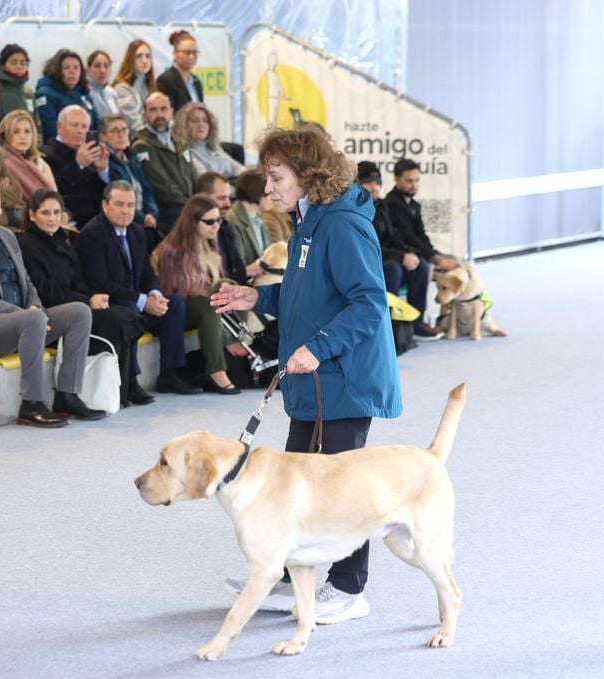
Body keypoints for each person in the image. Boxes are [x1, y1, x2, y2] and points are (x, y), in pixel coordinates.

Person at [210, 126, 402, 624]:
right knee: (296, 486)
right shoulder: (306, 223)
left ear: (309, 177)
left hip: (346, 379)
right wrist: (259, 297)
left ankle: (348, 590)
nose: (267, 187)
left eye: (276, 177)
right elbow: (307, 297)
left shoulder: (341, 226)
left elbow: (368, 304)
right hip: (317, 379)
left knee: (342, 491)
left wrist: (317, 348)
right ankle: (293, 581)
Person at [0, 177, 104, 427]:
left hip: (21, 322)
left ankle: (67, 396)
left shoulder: (7, 235)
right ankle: (32, 403)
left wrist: (35, 307)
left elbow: (26, 283)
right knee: (33, 318)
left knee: (79, 312)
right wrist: (26, 315)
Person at [17, 189, 146, 404]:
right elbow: (46, 292)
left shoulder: (61, 240)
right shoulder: (27, 245)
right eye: (45, 213)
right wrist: (86, 300)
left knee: (126, 314)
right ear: (32, 215)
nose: (52, 219)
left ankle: (125, 385)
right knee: (116, 319)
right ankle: (119, 389)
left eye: (56, 212)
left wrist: (94, 296)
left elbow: (77, 280)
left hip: (75, 302)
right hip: (53, 311)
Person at [75, 180, 198, 400]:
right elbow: (100, 284)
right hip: (110, 304)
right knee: (130, 310)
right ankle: (130, 381)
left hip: (135, 301)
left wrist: (154, 294)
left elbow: (147, 274)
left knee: (174, 304)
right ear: (105, 205)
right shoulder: (92, 235)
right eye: (119, 204)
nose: (126, 210)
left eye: (131, 205)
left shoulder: (136, 231)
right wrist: (142, 301)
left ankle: (170, 373)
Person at [151, 194, 241, 394]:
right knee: (207, 304)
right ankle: (217, 370)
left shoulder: (209, 245)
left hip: (201, 305)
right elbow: (174, 293)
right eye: (209, 221)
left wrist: (226, 286)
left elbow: (213, 284)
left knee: (236, 291)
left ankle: (240, 347)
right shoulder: (172, 250)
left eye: (218, 220)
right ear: (192, 222)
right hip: (176, 309)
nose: (216, 226)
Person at [383, 157, 458, 339]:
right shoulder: (390, 204)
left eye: (416, 180)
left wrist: (437, 256)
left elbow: (421, 237)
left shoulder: (414, 206)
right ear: (396, 179)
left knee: (424, 264)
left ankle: (416, 323)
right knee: (420, 265)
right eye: (409, 181)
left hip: (410, 256)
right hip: (392, 257)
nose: (414, 185)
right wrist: (437, 259)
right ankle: (395, 327)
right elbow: (406, 239)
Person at [357, 160, 431, 342]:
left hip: (388, 257)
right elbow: (368, 247)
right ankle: (390, 328)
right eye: (369, 183)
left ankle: (415, 324)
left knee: (420, 265)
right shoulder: (355, 211)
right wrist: (401, 256)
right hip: (367, 264)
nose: (375, 188)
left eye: (378, 182)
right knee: (392, 267)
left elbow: (394, 237)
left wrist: (408, 253)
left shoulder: (382, 206)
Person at [131, 92, 198, 239]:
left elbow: (194, 175)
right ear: (144, 115)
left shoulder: (179, 141)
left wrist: (201, 200)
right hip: (166, 212)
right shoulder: (141, 145)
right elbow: (162, 186)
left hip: (187, 205)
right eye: (153, 110)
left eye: (163, 109)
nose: (159, 114)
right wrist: (192, 206)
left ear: (172, 112)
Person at [39, 105, 109, 228]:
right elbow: (53, 189)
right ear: (59, 127)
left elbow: (104, 193)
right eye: (74, 125)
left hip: (99, 221)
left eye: (84, 126)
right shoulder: (44, 154)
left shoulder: (90, 152)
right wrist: (78, 165)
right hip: (71, 223)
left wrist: (102, 170)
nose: (80, 131)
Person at [226, 169, 293, 274]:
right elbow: (239, 267)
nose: (272, 198)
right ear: (257, 192)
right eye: (269, 193)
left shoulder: (259, 219)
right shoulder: (232, 220)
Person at [101, 113, 158, 234]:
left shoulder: (132, 157)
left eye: (124, 130)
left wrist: (152, 213)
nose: (121, 135)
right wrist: (144, 218)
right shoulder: (104, 162)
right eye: (114, 131)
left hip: (145, 219)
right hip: (127, 221)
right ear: (103, 136)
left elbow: (146, 188)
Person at [35, 49, 99, 143]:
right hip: (58, 151)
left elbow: (94, 126)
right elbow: (50, 130)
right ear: (56, 70)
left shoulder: (85, 96)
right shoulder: (45, 94)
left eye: (76, 68)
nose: (72, 71)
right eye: (66, 67)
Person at [0, 109, 57, 203]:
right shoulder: (1, 162)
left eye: (27, 131)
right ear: (5, 134)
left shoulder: (39, 161)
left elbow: (54, 196)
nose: (23, 136)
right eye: (16, 132)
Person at [173, 102, 244, 179]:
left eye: (205, 120)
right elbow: (205, 180)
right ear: (184, 125)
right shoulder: (186, 153)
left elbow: (237, 168)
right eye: (194, 121)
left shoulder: (212, 148)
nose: (201, 125)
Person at [0, 44, 42, 142]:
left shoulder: (28, 92)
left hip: (28, 149)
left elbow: (36, 124)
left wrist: (37, 148)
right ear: (3, 65)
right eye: (14, 62)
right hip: (3, 149)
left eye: (23, 63)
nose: (19, 66)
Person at [112, 40, 157, 134]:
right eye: (139, 56)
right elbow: (133, 123)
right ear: (130, 59)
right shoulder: (121, 90)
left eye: (148, 56)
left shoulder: (150, 87)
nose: (144, 61)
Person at [157, 30, 204, 112]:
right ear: (175, 53)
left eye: (195, 52)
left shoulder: (196, 82)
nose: (191, 57)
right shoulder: (166, 80)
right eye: (187, 52)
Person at [87, 50, 120, 119]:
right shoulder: (86, 93)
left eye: (106, 66)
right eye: (97, 66)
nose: (102, 70)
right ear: (88, 69)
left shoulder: (112, 93)